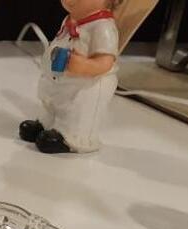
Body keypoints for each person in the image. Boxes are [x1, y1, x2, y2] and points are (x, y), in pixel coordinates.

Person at [19, 0, 121, 154]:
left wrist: (84, 66)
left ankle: (71, 138)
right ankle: (46, 124)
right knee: (54, 103)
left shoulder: (103, 27)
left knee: (77, 111)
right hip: (63, 80)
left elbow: (105, 62)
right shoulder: (71, 20)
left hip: (86, 85)